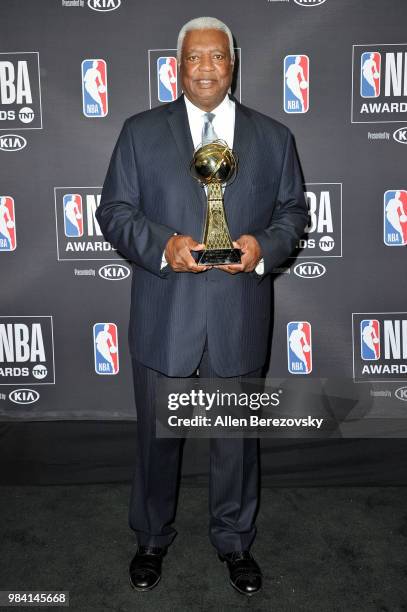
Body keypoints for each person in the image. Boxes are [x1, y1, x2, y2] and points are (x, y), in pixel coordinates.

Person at [96, 16, 308, 597]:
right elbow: (114, 211)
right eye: (195, 58)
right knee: (156, 442)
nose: (206, 67)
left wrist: (264, 246)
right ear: (177, 66)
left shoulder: (273, 137)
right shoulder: (140, 133)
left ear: (232, 64)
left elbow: (293, 214)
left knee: (235, 443)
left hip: (238, 312)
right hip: (166, 311)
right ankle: (150, 539)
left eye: (216, 57)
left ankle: (236, 542)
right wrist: (162, 246)